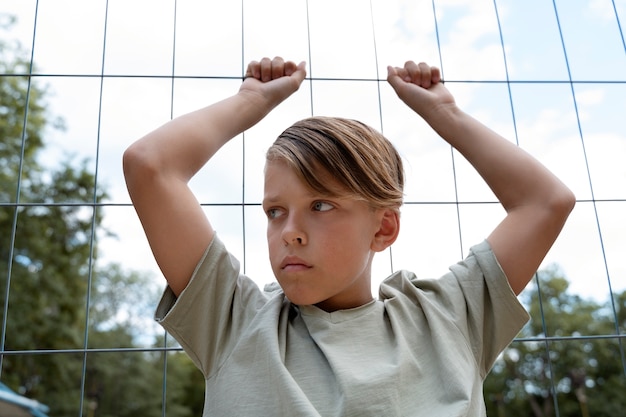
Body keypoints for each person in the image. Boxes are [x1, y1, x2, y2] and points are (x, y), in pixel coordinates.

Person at [123, 57, 575, 416]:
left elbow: (547, 201)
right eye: (274, 212)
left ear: (383, 227)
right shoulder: (232, 321)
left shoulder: (451, 318)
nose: (290, 233)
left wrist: (445, 114)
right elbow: (150, 164)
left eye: (320, 205)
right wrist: (250, 101)